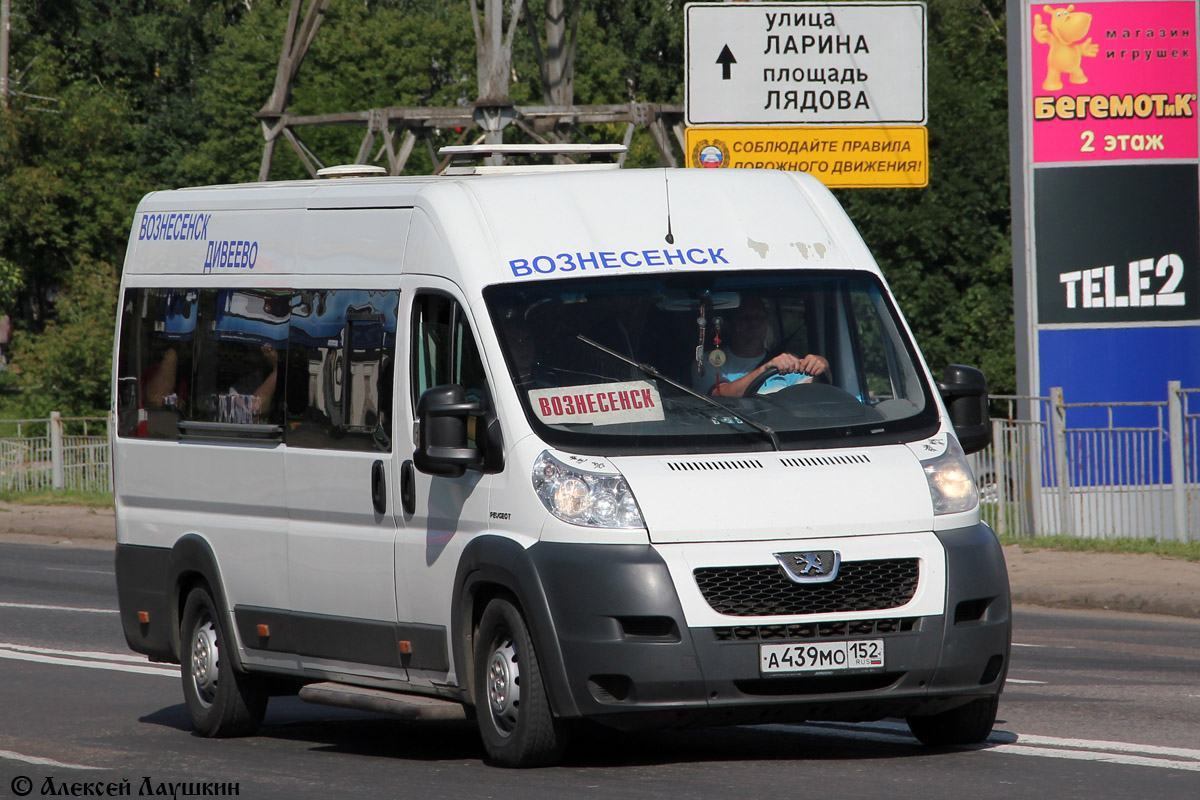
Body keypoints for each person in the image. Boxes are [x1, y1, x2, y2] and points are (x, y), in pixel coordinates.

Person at [693, 295, 828, 398]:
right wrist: (765, 369)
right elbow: (719, 395)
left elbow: (812, 395)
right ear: (729, 325)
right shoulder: (708, 361)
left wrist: (821, 366)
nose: (754, 322)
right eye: (745, 317)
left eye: (760, 316)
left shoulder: (788, 361)